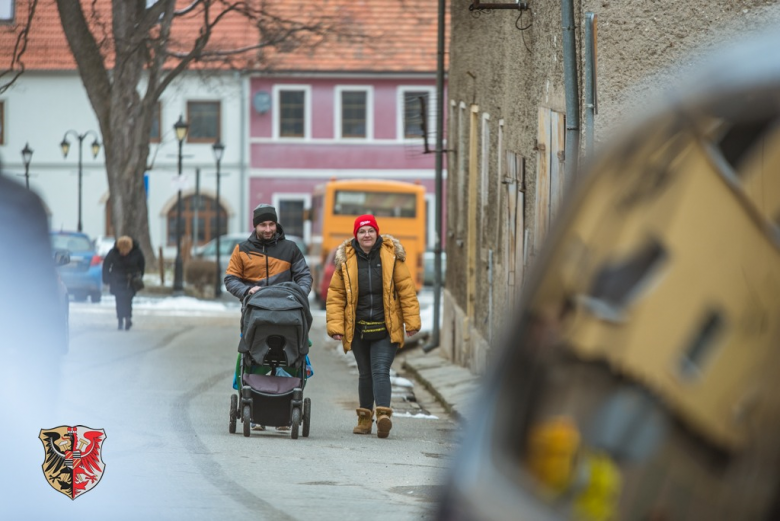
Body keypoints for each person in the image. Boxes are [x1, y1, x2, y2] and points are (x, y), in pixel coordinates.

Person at [326, 214, 421, 439]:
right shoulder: (346, 260)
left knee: (380, 370)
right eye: (362, 231)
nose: (366, 235)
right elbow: (336, 295)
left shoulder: (391, 256)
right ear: (355, 236)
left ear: (377, 233)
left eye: (370, 230)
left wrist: (412, 322)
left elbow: (406, 290)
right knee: (365, 373)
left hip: (385, 327)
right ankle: (365, 419)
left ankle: (384, 415)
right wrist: (336, 326)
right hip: (358, 327)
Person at [224, 204, 313, 430]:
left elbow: (304, 275)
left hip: (288, 312)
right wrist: (246, 291)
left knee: (292, 356)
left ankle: (285, 410)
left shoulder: (290, 249)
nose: (268, 228)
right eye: (263, 224)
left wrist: (298, 294)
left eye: (271, 224)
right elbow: (231, 279)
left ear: (276, 224)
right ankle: (256, 411)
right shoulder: (242, 250)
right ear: (256, 226)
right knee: (254, 358)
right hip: (256, 314)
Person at [102, 236, 145, 330]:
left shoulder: (136, 252)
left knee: (128, 299)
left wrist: (139, 276)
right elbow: (106, 265)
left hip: (131, 280)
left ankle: (128, 318)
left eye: (126, 250)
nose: (124, 253)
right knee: (119, 300)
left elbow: (142, 264)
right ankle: (120, 320)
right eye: (122, 251)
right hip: (117, 280)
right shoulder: (113, 252)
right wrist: (107, 279)